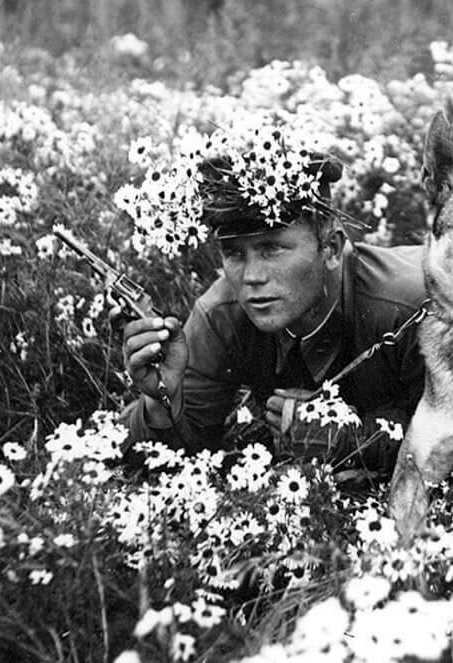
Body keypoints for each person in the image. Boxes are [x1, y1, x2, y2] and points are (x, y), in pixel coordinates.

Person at [118, 151, 426, 476]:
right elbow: (172, 451)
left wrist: (352, 440)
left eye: (272, 249)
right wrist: (161, 404)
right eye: (234, 253)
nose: (252, 276)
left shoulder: (415, 309)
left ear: (332, 248)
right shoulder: (222, 313)